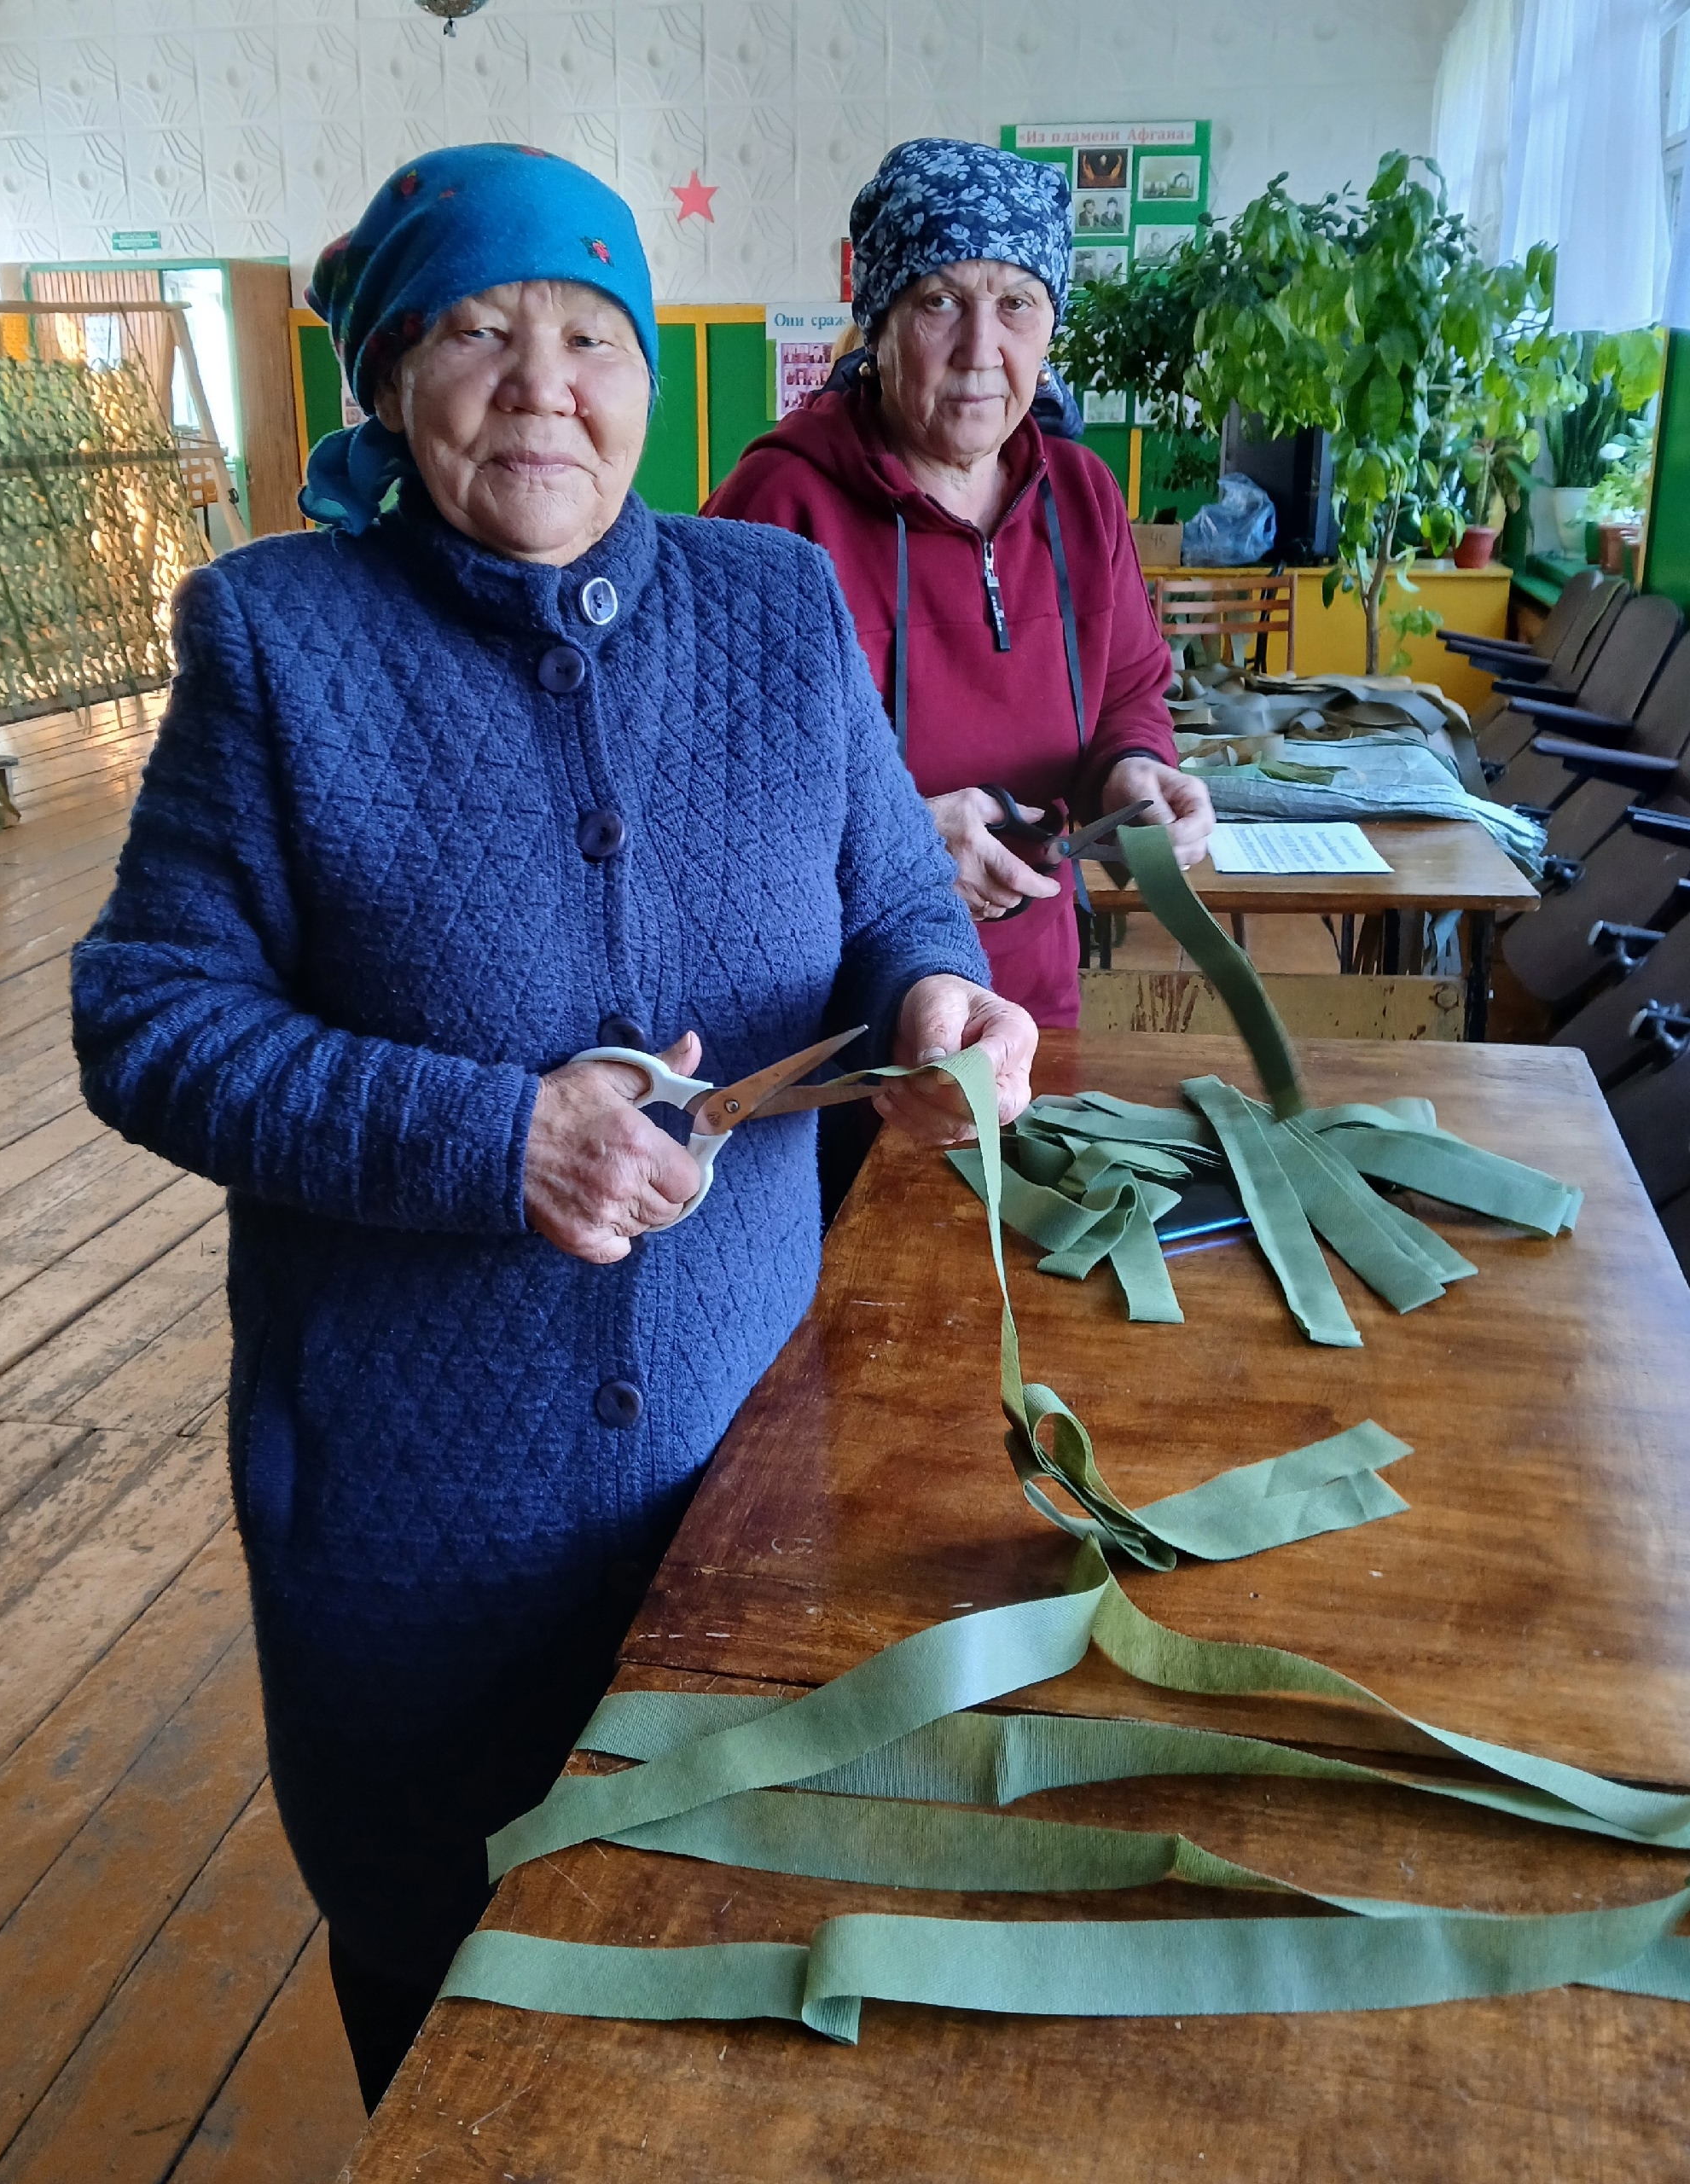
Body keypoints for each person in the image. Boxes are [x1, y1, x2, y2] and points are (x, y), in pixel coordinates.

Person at [68, 144, 1035, 2113]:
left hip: (747, 1473)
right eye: (475, 333)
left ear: (647, 375)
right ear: (387, 379)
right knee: (450, 2009)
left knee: (743, 1963)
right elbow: (148, 1016)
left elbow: (893, 895)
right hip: (419, 1512)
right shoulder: (278, 642)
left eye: (591, 337)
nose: (541, 386)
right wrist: (487, 1137)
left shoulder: (773, 606)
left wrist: (939, 997)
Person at [706, 138, 1215, 1031]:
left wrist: (1134, 770)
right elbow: (708, 792)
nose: (982, 350)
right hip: (833, 1022)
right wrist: (895, 847)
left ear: (1050, 325)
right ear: (880, 322)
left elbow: (1129, 690)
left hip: (1035, 997)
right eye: (939, 301)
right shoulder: (777, 509)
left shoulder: (1084, 496)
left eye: (1017, 303)